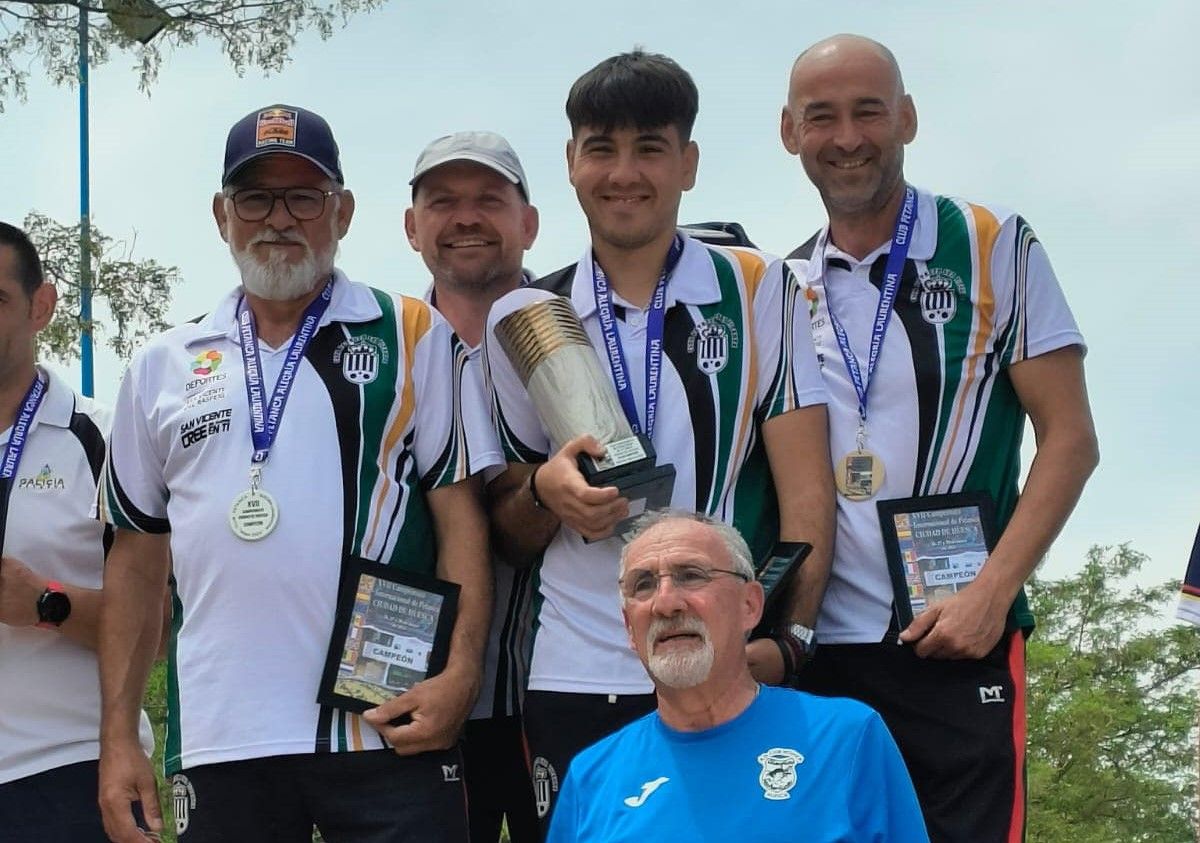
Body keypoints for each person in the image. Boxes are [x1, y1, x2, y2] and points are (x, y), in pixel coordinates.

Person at [96, 104, 500, 843]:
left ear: (341, 211)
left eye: (303, 196)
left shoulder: (414, 335)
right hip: (221, 740)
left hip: (387, 727)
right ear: (223, 215)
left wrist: (462, 669)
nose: (278, 218)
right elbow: (135, 560)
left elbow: (461, 520)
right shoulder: (162, 365)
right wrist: (121, 736)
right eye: (256, 197)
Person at [482, 50, 834, 831]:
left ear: (689, 163)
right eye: (601, 148)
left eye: (650, 148)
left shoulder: (760, 287)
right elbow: (503, 524)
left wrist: (791, 640)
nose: (624, 173)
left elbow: (808, 494)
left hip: (723, 662)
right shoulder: (524, 316)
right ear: (571, 164)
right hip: (575, 671)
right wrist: (546, 490)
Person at [779, 35, 1099, 842]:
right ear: (791, 132)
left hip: (957, 636)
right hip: (819, 654)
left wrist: (992, 594)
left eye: (868, 112)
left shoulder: (995, 245)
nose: (847, 136)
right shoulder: (780, 284)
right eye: (823, 117)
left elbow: (1071, 438)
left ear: (907, 118)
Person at [547, 509, 928, 842]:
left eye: (691, 575)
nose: (665, 603)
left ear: (750, 605)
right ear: (630, 628)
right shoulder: (592, 777)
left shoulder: (846, 737)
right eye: (643, 585)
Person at [0, 222, 154, 841]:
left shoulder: (105, 440)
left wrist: (45, 604)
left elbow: (159, 627)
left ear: (42, 307)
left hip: (67, 770)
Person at [406, 129, 540, 843]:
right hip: (415, 693)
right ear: (410, 226)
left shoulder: (580, 328)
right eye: (442, 201)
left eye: (489, 199)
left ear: (529, 222)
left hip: (555, 690)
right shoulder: (382, 348)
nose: (465, 218)